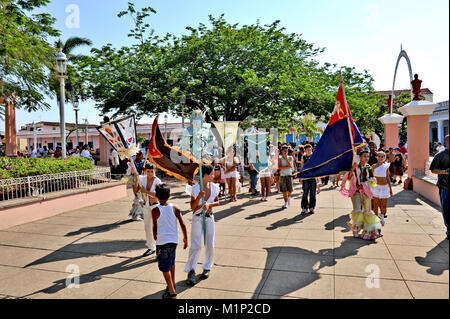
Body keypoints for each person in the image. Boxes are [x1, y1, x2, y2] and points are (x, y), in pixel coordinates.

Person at [185, 165, 220, 285]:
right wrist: (199, 198)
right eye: (212, 174)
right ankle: (191, 271)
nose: (214, 176)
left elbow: (217, 202)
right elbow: (192, 207)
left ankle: (207, 267)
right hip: (197, 218)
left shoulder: (214, 187)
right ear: (205, 175)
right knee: (196, 245)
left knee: (210, 243)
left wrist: (209, 205)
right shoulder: (195, 188)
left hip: (209, 218)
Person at [152, 183, 188, 299]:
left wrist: (155, 235)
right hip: (173, 241)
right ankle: (171, 285)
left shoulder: (155, 210)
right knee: (171, 263)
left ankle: (172, 292)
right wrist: (185, 238)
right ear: (170, 195)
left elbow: (154, 226)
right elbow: (182, 224)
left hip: (162, 242)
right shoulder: (175, 208)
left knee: (164, 267)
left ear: (156, 196)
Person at [341, 150, 381, 240]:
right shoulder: (355, 166)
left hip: (365, 193)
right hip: (356, 193)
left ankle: (368, 231)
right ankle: (355, 230)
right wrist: (352, 169)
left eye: (368, 156)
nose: (366, 158)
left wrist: (364, 185)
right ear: (360, 157)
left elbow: (372, 181)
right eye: (364, 156)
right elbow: (349, 178)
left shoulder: (369, 167)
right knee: (357, 211)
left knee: (367, 211)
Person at [134, 162, 163, 256]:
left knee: (157, 228)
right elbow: (135, 190)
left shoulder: (158, 181)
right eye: (148, 171)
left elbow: (158, 196)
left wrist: (146, 191)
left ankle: (160, 248)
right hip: (146, 206)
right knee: (147, 228)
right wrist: (136, 180)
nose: (150, 173)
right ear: (145, 171)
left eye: (151, 171)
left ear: (155, 171)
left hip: (156, 206)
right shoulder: (141, 178)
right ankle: (151, 247)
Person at [429, 135, 449, 240]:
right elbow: (432, 169)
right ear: (447, 142)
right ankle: (449, 230)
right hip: (445, 186)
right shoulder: (440, 156)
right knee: (447, 209)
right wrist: (444, 172)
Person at [371, 151, 393, 227]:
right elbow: (370, 178)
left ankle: (382, 215)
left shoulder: (386, 166)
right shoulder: (373, 166)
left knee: (384, 206)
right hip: (376, 187)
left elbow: (387, 178)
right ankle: (376, 220)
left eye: (382, 156)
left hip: (384, 188)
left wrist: (390, 189)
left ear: (385, 158)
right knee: (375, 205)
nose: (380, 158)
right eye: (379, 156)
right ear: (376, 157)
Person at [299, 144, 320, 214]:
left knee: (313, 193)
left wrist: (318, 178)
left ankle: (312, 207)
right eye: (307, 150)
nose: (309, 151)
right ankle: (304, 208)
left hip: (313, 177)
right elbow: (301, 168)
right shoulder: (303, 157)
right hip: (305, 177)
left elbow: (317, 168)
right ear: (305, 150)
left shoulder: (314, 157)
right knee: (305, 193)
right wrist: (301, 178)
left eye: (310, 150)